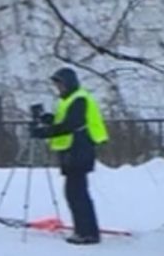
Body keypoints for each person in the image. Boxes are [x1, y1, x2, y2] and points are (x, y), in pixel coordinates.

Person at [29, 67, 109, 245]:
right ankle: (84, 230)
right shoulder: (69, 100)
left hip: (79, 149)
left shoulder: (79, 99)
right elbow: (64, 121)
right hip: (73, 150)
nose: (58, 88)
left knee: (76, 193)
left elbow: (71, 125)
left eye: (60, 84)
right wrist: (47, 119)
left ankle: (87, 233)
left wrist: (44, 133)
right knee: (76, 192)